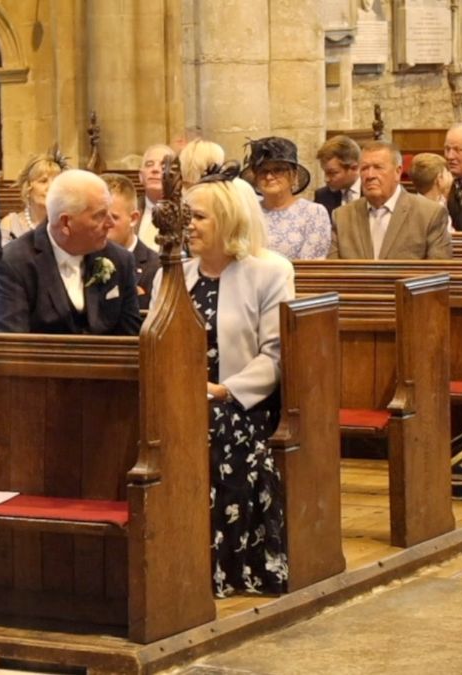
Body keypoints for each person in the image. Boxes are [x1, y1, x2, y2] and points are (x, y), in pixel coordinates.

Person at [149, 161, 292, 598]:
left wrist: (222, 390)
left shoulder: (269, 271)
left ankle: (221, 565)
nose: (186, 225)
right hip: (177, 395)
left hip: (240, 403)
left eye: (197, 216)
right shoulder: (174, 273)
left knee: (214, 428)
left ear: (228, 220)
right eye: (184, 215)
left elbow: (275, 356)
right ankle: (162, 560)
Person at [0, 170, 141, 334]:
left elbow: (131, 341)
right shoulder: (14, 263)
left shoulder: (120, 260)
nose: (110, 224)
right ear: (65, 223)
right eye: (100, 216)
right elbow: (13, 345)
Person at [329, 141, 452, 260]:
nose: (370, 175)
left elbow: (438, 274)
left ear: (397, 172)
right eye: (365, 168)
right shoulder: (342, 217)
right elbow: (333, 272)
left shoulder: (429, 214)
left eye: (378, 167)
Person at [242, 136, 331, 260]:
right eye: (263, 171)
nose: (269, 177)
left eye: (278, 170)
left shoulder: (314, 213)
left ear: (293, 175)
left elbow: (311, 265)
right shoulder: (247, 214)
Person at [102, 172, 158, 306]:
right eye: (97, 216)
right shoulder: (82, 259)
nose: (104, 224)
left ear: (133, 219)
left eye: (113, 217)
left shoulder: (156, 267)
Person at [0, 147, 68, 243]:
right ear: (28, 188)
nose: (51, 187)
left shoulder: (67, 224)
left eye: (56, 181)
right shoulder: (9, 224)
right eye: (43, 181)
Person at [136, 143, 175, 248]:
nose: (155, 169)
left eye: (163, 165)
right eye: (149, 164)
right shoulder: (128, 210)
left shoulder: (185, 214)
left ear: (175, 177)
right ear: (141, 177)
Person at [313, 135, 361, 217]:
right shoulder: (322, 196)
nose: (326, 179)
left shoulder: (372, 192)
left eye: (332, 173)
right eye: (325, 172)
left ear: (354, 168)